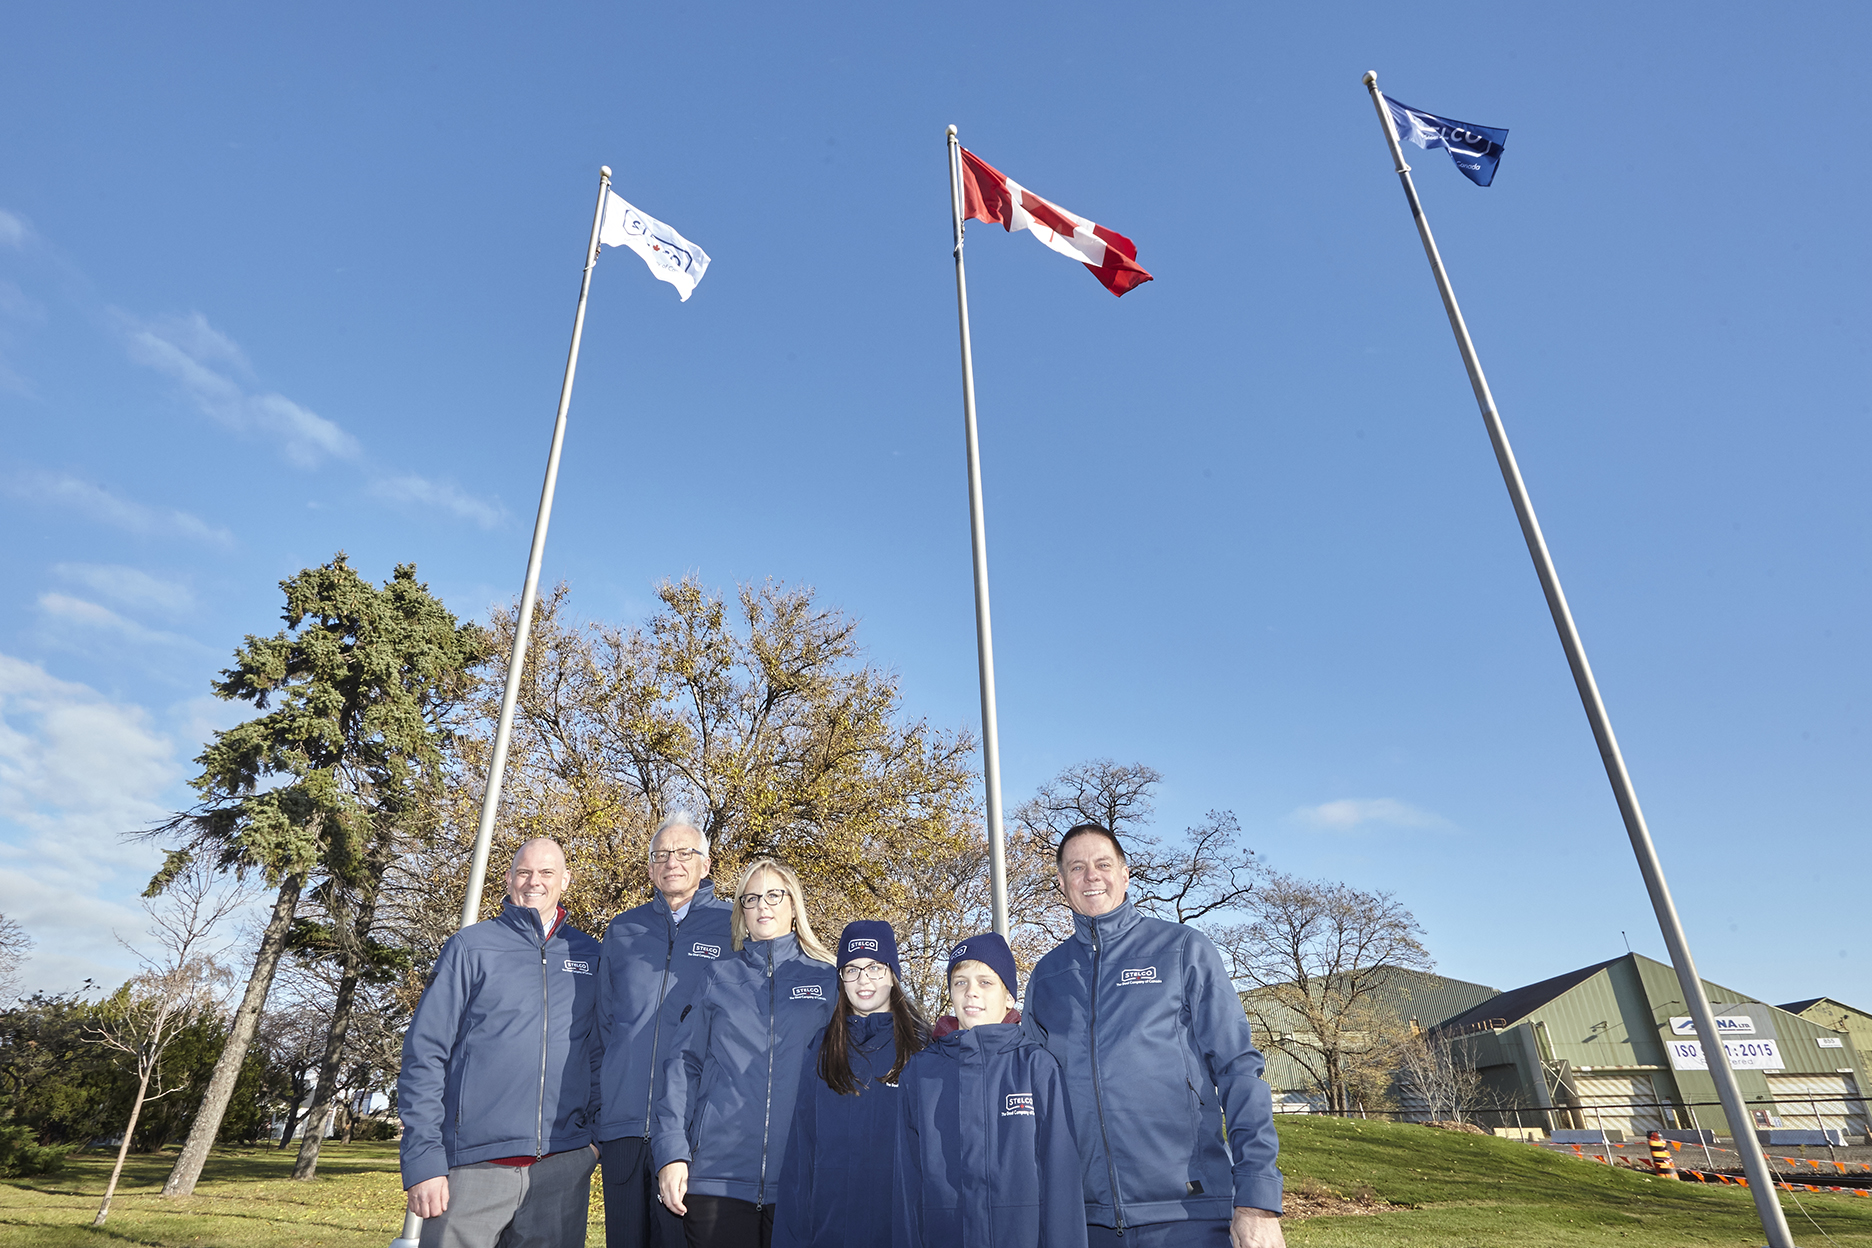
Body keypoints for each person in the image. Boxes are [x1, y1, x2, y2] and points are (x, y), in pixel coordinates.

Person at [1024, 824, 1285, 1248]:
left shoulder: (1182, 950)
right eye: (1076, 867)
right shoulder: (1047, 976)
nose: (1091, 876)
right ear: (1062, 883)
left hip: (1188, 1214)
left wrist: (1257, 1200)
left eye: (1103, 864)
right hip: (1082, 1223)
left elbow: (1239, 1071)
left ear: (1125, 873)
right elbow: (1032, 1099)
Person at [398, 837, 603, 1248]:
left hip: (561, 1170)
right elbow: (425, 1053)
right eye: (524, 872)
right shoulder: (470, 947)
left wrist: (592, 1143)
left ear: (565, 880)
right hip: (472, 1168)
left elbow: (598, 1052)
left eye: (546, 873)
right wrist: (423, 1161)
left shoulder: (592, 955)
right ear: (509, 879)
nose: (534, 882)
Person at [652, 858, 838, 1248]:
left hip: (803, 1181)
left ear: (793, 906)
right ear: (741, 913)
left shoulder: (828, 979)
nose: (762, 906)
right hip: (717, 1181)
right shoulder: (717, 977)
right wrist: (671, 1153)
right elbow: (683, 1066)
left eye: (773, 895)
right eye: (751, 899)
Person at [891, 932, 1085, 1248]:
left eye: (985, 982)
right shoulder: (921, 1072)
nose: (971, 993)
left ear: (1009, 996)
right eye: (960, 982)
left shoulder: (1036, 1066)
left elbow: (1061, 1180)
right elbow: (906, 1181)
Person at [598, 812, 736, 1248]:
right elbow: (602, 1027)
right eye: (661, 854)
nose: (672, 862)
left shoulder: (735, 928)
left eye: (684, 852)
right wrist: (600, 1115)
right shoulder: (622, 930)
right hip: (622, 1131)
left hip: (691, 1133)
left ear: (706, 864)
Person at [772, 920, 928, 1248]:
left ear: (892, 972)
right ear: (841, 978)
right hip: (830, 1231)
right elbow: (802, 1155)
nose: (863, 980)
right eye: (852, 970)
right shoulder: (823, 1047)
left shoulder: (923, 1047)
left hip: (901, 1230)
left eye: (874, 967)